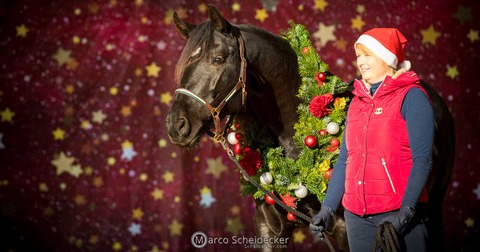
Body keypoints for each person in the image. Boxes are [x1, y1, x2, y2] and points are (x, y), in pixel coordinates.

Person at [309, 28, 434, 251]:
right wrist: (327, 210)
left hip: (398, 216)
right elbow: (345, 159)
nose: (360, 62)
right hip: (357, 219)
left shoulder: (412, 96)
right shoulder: (357, 103)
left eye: (367, 55)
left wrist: (406, 213)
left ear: (387, 58)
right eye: (358, 56)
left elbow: (423, 159)